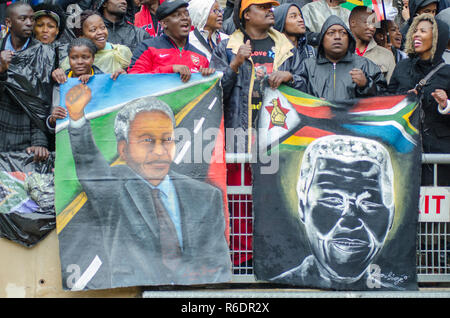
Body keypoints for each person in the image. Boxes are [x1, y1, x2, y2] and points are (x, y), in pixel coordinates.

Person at [60, 83, 232, 287]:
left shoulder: (206, 196)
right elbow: (90, 164)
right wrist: (77, 118)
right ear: (123, 149)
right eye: (147, 141)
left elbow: (217, 261)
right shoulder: (115, 188)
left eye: (167, 140)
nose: (159, 151)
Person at [271, 135, 397, 289]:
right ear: (303, 207)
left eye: (368, 203)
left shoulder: (395, 292)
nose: (350, 222)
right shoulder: (279, 288)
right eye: (333, 201)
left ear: (391, 215)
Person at [210, 0, 304, 142]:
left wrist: (290, 77)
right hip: (237, 135)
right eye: (262, 7)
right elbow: (214, 94)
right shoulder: (226, 48)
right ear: (247, 14)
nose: (269, 10)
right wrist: (234, 64)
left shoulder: (287, 48)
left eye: (270, 7)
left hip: (278, 136)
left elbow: (306, 90)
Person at [388, 13, 450, 185]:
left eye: (423, 31)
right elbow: (387, 101)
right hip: (404, 152)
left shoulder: (447, 72)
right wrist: (402, 101)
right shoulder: (401, 68)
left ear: (437, 37)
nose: (416, 34)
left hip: (440, 156)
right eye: (415, 30)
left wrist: (446, 105)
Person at [0, 2, 57, 159]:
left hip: (28, 138)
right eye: (23, 18)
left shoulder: (44, 53)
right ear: (9, 23)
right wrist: (2, 70)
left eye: (32, 19)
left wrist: (40, 142)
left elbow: (41, 103)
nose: (29, 23)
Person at [296, 15, 387, 103]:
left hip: (353, 118)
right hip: (317, 118)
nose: (337, 37)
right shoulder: (308, 66)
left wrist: (366, 85)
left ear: (349, 39)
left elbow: (386, 98)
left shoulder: (364, 65)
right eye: (331, 33)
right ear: (322, 39)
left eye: (343, 33)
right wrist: (312, 102)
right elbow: (295, 96)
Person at [128, 0, 214, 82]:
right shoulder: (147, 48)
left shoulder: (201, 56)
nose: (184, 18)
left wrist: (207, 78)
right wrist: (170, 69)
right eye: (177, 15)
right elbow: (134, 80)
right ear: (164, 23)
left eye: (187, 14)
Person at [60, 10, 131, 74]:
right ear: (81, 36)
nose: (100, 32)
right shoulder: (70, 62)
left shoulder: (121, 53)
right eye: (93, 30)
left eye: (103, 27)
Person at [349, 6, 396, 83]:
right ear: (353, 23)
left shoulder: (386, 55)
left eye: (375, 25)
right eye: (368, 23)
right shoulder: (339, 53)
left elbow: (390, 90)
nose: (372, 28)